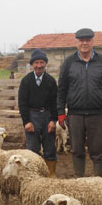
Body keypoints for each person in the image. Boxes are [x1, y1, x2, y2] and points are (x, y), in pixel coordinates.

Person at [57, 28, 102, 177]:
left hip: (97, 114)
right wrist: (60, 112)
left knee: (99, 150)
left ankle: (97, 181)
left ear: (93, 41)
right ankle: (80, 181)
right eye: (81, 40)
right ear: (76, 42)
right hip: (75, 114)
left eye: (88, 40)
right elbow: (62, 89)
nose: (85, 43)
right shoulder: (69, 62)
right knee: (77, 149)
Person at [18, 49, 58, 177]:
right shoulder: (26, 81)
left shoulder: (51, 82)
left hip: (47, 116)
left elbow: (55, 102)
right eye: (36, 62)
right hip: (32, 115)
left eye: (42, 62)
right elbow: (22, 103)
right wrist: (27, 121)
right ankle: (35, 175)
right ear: (32, 64)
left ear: (45, 64)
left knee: (50, 147)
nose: (39, 65)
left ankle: (51, 174)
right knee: (33, 149)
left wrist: (53, 120)